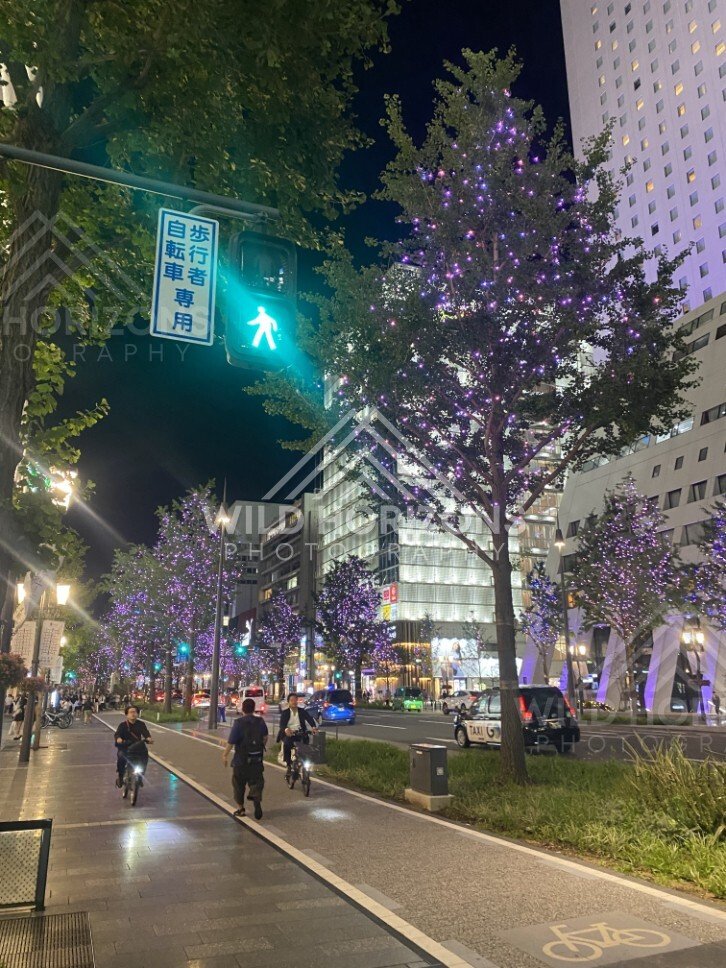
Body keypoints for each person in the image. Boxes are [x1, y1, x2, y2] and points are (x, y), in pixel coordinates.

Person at [222, 698, 267, 819]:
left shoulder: (238, 723)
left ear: (243, 708)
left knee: (238, 784)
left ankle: (241, 808)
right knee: (257, 781)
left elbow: (231, 742)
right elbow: (265, 738)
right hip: (256, 759)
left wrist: (225, 755)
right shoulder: (260, 721)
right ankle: (256, 798)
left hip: (241, 760)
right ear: (254, 708)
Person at [276, 692, 318, 771]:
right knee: (287, 743)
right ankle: (288, 764)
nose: (294, 702)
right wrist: (286, 729)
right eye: (292, 700)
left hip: (300, 733)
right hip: (289, 734)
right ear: (288, 702)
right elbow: (282, 725)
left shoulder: (302, 711)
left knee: (305, 744)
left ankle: (304, 762)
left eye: (295, 700)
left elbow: (309, 718)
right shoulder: (285, 713)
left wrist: (313, 727)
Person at [114, 705, 153, 788]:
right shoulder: (123, 725)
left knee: (145, 757)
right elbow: (117, 734)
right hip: (125, 747)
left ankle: (140, 777)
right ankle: (120, 777)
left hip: (137, 747)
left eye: (135, 712)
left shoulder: (141, 724)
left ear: (137, 714)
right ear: (127, 715)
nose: (133, 714)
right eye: (131, 712)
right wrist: (119, 739)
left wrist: (149, 738)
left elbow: (145, 733)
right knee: (121, 758)